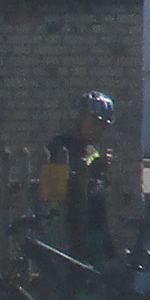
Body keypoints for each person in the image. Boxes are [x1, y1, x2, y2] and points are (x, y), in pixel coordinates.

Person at [46, 93, 120, 264]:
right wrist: (87, 172)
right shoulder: (60, 146)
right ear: (81, 118)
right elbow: (54, 190)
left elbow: (97, 190)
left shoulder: (93, 150)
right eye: (95, 123)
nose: (99, 129)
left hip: (94, 226)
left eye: (104, 126)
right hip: (67, 227)